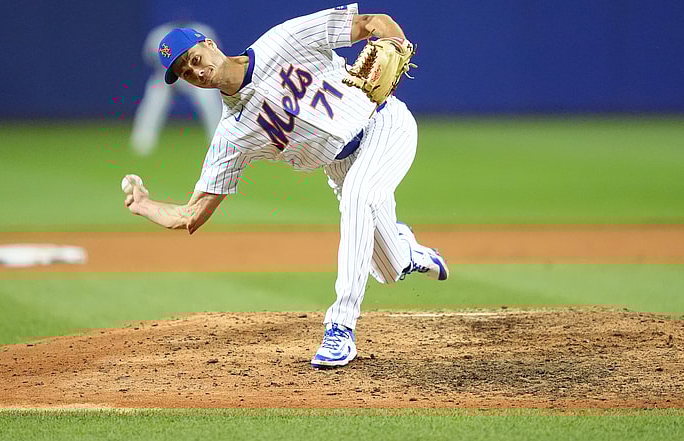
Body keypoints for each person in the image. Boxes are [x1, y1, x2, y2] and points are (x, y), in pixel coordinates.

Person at [124, 4, 449, 368]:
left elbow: (374, 23)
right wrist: (144, 205)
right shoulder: (231, 134)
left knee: (359, 197)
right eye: (185, 72)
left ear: (210, 44)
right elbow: (191, 215)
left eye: (194, 58)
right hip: (340, 166)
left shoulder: (284, 40)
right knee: (388, 269)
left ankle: (340, 327)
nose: (196, 71)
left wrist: (396, 41)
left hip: (383, 126)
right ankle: (407, 252)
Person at [129, 22, 223, 155]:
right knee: (153, 102)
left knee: (209, 100)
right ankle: (142, 141)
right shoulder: (159, 35)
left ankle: (219, 141)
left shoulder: (203, 32)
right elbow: (149, 58)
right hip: (166, 75)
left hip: (196, 75)